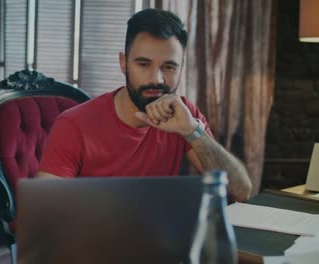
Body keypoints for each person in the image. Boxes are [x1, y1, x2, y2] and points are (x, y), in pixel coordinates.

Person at [36, 8, 252, 201]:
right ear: (123, 63)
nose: (156, 79)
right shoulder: (74, 124)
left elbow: (240, 191)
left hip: (157, 238)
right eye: (143, 64)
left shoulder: (183, 115)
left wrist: (193, 132)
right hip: (93, 239)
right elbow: (44, 212)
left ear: (181, 68)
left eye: (169, 67)